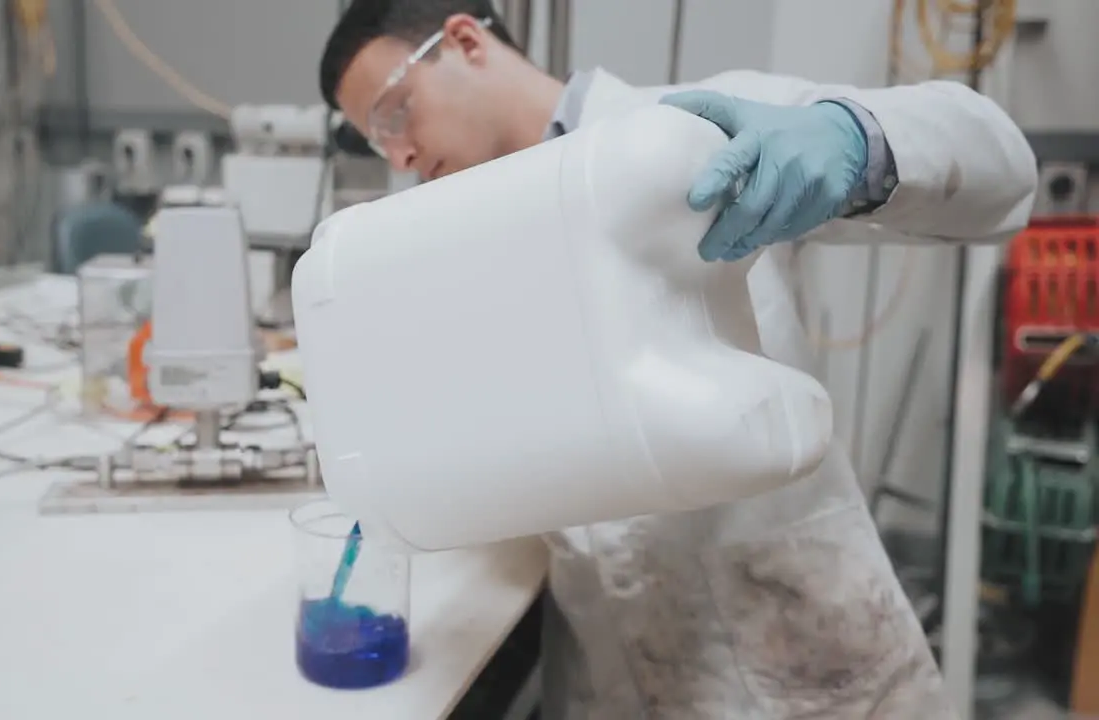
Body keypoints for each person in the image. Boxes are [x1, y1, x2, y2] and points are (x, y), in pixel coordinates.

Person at [319, 2, 1038, 717]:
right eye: (378, 144)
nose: (401, 156)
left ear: (466, 40)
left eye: (393, 114)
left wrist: (851, 139)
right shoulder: (460, 238)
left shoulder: (685, 135)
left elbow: (996, 158)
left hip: (796, 645)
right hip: (608, 666)